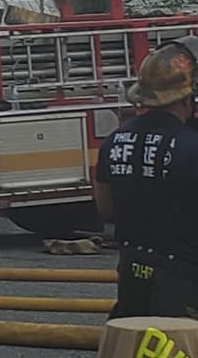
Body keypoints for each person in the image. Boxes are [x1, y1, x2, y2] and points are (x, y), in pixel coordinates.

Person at [93, 42, 198, 319]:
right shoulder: (192, 147)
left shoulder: (114, 141)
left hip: (131, 269)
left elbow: (105, 207)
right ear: (189, 98)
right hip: (182, 277)